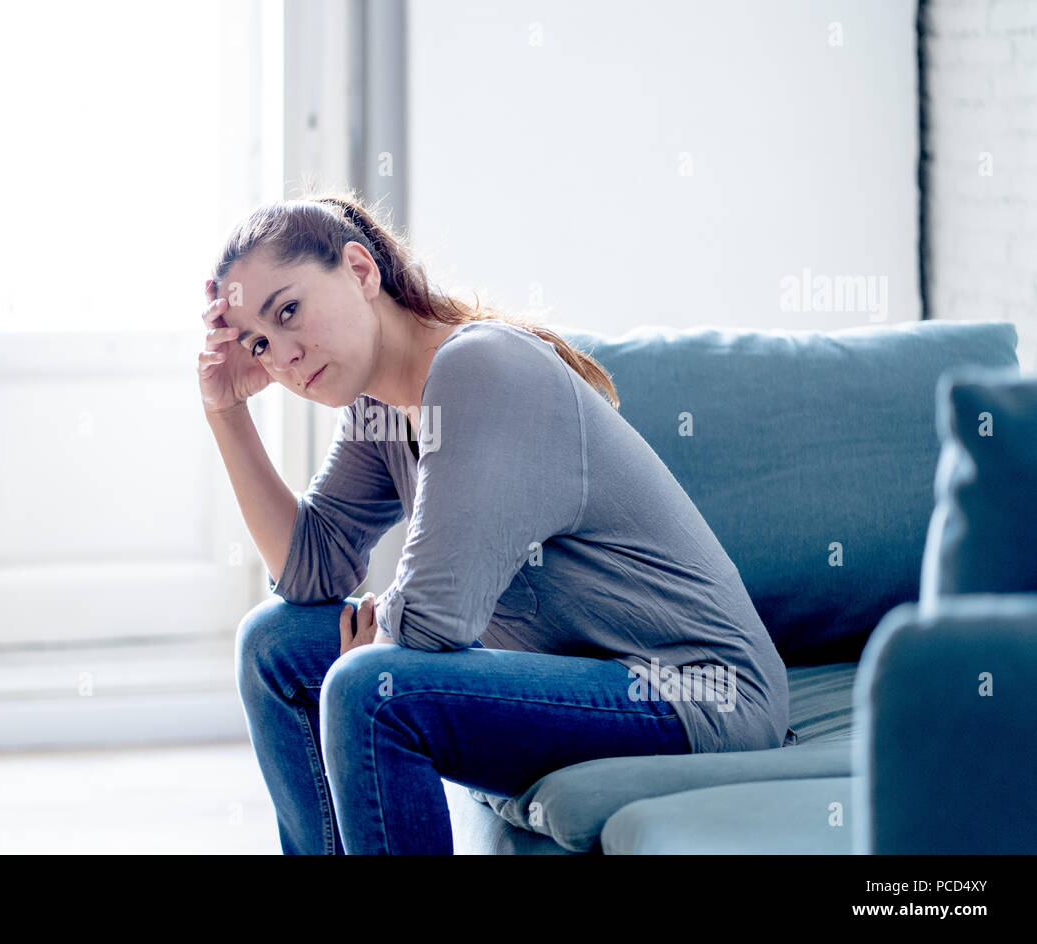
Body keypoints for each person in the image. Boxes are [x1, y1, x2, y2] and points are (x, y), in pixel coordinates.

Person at [199, 189, 790, 855]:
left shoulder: (481, 367)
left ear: (361, 271)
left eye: (289, 311)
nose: (284, 357)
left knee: (372, 688)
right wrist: (226, 410)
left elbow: (432, 621)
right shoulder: (377, 410)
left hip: (695, 691)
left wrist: (379, 636)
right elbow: (308, 572)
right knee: (272, 643)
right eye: (260, 342)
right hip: (581, 681)